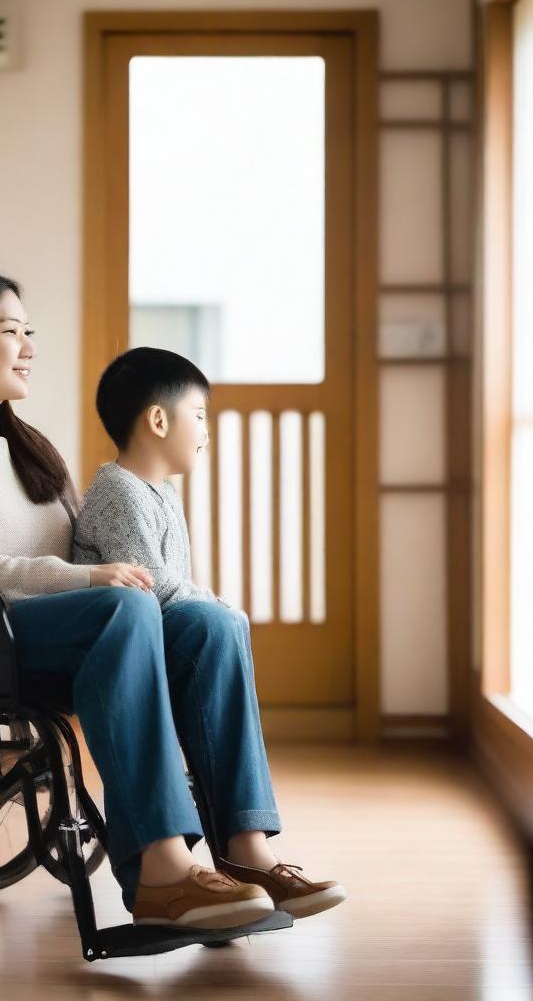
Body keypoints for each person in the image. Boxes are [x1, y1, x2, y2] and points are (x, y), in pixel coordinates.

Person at [0, 265, 343, 929]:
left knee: (210, 625)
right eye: (12, 332)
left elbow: (84, 562)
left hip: (61, 632)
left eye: (29, 331)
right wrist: (88, 581)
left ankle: (246, 852)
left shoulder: (31, 453)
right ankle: (161, 870)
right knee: (121, 608)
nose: (30, 346)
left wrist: (117, 582)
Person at [73, 346, 347, 921]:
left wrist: (216, 610)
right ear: (157, 420)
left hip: (158, 633)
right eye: (199, 415)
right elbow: (147, 590)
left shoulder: (162, 494)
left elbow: (177, 592)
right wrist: (221, 608)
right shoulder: (118, 491)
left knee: (215, 621)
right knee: (216, 619)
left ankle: (247, 849)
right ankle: (225, 854)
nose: (205, 430)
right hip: (122, 640)